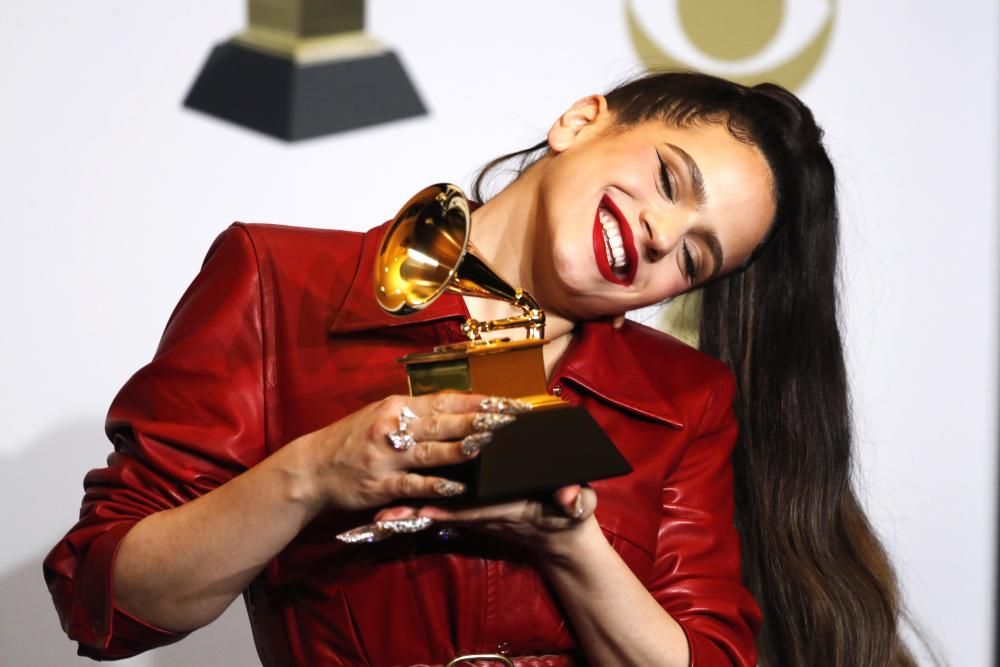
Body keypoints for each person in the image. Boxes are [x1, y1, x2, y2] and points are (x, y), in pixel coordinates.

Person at [44, 72, 916, 666]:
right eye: (667, 179)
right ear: (581, 120)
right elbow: (105, 595)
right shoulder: (281, 282)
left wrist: (570, 543)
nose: (660, 235)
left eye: (696, 257)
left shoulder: (685, 397)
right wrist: (312, 473)